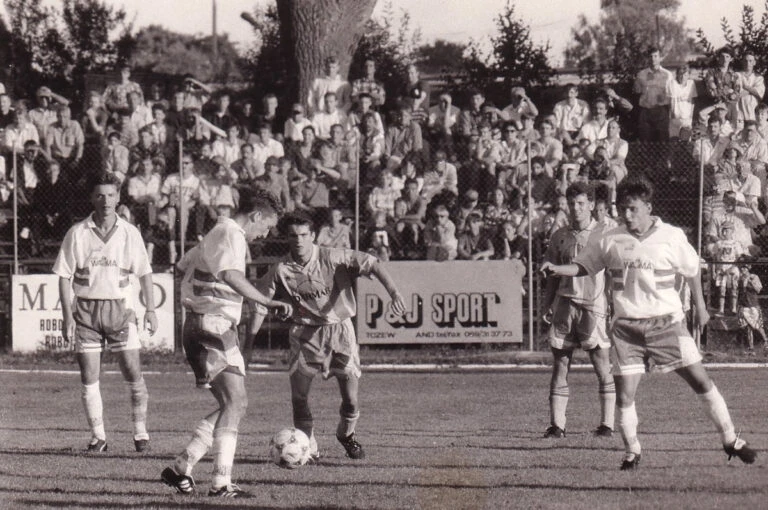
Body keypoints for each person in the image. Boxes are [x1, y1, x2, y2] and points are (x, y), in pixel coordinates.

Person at [541, 177, 758, 470]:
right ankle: (632, 452)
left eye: (633, 209)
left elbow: (692, 269)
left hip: (667, 324)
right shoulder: (609, 238)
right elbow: (583, 266)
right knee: (625, 395)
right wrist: (557, 268)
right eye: (622, 209)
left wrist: (701, 307)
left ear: (648, 208)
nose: (627, 215)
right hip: (627, 329)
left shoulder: (671, 236)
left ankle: (730, 439)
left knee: (701, 381)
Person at [161, 190, 292, 498]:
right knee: (235, 402)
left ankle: (182, 466)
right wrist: (265, 301)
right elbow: (231, 274)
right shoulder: (232, 234)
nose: (265, 234)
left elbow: (181, 267)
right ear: (256, 216)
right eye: (267, 226)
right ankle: (220, 484)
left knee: (234, 404)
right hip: (213, 325)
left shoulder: (214, 233)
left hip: (199, 324)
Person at [252, 212, 406, 461]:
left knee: (351, 400)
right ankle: (309, 449)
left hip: (340, 331)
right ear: (287, 238)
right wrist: (249, 343)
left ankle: (346, 435)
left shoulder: (332, 256)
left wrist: (395, 293)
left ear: (312, 236)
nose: (299, 240)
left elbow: (373, 263)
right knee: (299, 397)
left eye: (304, 235)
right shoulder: (281, 269)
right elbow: (260, 303)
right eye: (293, 236)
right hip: (305, 334)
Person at [53, 172, 157, 453]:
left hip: (120, 309)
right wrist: (67, 315)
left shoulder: (129, 233)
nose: (106, 201)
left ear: (119, 197)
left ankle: (140, 433)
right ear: (92, 198)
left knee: (133, 371)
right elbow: (63, 275)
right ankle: (98, 437)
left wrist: (150, 309)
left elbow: (145, 273)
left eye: (111, 195)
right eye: (100, 195)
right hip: (86, 312)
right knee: (89, 376)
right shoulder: (77, 232)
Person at [541, 182, 614, 439]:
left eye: (581, 203)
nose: (576, 208)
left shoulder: (605, 234)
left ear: (591, 205)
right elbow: (551, 274)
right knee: (560, 363)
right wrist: (547, 304)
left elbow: (614, 273)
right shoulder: (559, 235)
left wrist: (613, 303)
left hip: (593, 306)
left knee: (601, 363)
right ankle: (557, 426)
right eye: (572, 204)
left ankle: (607, 424)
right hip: (564, 305)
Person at [634, 47, 672, 141]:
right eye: (650, 56)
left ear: (660, 58)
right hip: (646, 112)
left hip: (662, 111)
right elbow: (637, 92)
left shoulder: (668, 75)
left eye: (655, 56)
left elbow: (671, 94)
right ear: (647, 58)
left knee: (662, 141)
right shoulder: (641, 74)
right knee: (645, 141)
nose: (653, 59)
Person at [736, 262, 768, 354]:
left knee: (757, 326)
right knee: (747, 327)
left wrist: (751, 282)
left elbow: (758, 289)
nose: (743, 269)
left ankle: (766, 342)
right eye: (742, 267)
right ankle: (751, 347)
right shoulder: (740, 278)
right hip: (743, 304)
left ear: (749, 268)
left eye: (745, 267)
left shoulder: (754, 277)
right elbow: (738, 291)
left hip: (753, 304)